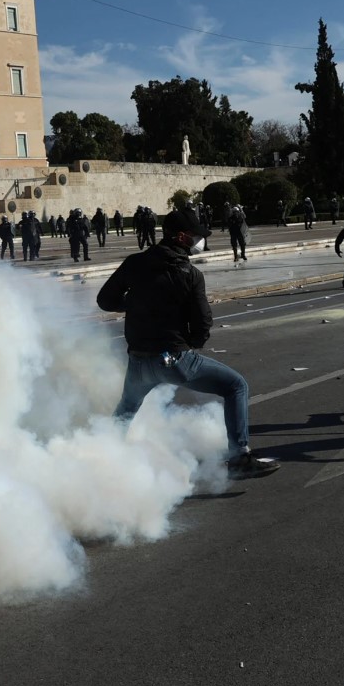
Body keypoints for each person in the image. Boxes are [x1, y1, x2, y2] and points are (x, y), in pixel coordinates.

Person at [96, 206, 279, 481]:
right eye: (195, 235)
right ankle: (240, 457)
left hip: (138, 360)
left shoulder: (135, 263)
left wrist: (134, 305)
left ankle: (101, 462)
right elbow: (203, 322)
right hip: (174, 358)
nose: (199, 240)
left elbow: (105, 300)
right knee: (236, 386)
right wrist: (191, 343)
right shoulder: (189, 274)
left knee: (126, 410)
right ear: (182, 237)